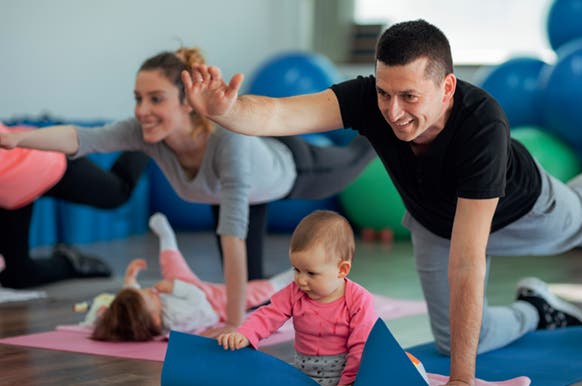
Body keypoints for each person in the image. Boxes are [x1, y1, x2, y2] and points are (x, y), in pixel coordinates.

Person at [181, 19, 582, 386]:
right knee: (450, 337)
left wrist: (461, 379)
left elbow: (469, 262)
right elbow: (283, 113)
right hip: (436, 223)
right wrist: (227, 111)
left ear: (447, 87)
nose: (393, 111)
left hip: (525, 208)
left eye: (409, 96)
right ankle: (537, 310)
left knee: (580, 222)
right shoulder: (372, 99)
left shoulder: (482, 124)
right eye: (385, 93)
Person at [0, 47, 376, 334]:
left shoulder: (228, 144)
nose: (142, 110)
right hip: (231, 193)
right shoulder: (146, 134)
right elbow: (81, 138)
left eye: (156, 99)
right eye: (138, 98)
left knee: (359, 154)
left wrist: (232, 327)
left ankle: (381, 117)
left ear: (187, 104)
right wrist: (16, 141)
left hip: (294, 169)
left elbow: (233, 240)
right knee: (249, 287)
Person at [218, 210, 377, 386]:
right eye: (296, 270)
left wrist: (348, 382)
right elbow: (268, 315)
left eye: (311, 273)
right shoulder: (294, 292)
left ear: (342, 270)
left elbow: (361, 347)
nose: (301, 280)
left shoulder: (359, 300)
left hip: (346, 377)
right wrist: (245, 333)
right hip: (303, 373)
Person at [91, 212, 292, 341]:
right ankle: (290, 277)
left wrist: (130, 280)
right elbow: (198, 300)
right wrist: (175, 287)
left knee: (171, 263)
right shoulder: (177, 317)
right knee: (256, 292)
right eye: (150, 295)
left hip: (185, 290)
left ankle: (167, 237)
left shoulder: (145, 318)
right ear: (154, 317)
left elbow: (134, 304)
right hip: (213, 302)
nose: (151, 290)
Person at [0, 123, 149, 289]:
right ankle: (69, 261)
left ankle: (147, 137)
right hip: (12, 192)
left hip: (42, 161)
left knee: (118, 193)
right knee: (17, 275)